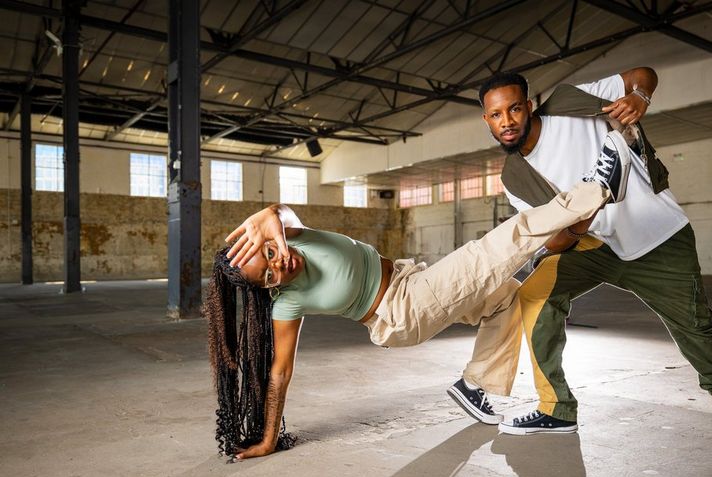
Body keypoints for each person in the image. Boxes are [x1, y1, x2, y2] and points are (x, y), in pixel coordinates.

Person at [207, 132, 629, 460]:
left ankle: (475, 385)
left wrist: (267, 214)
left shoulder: (292, 235)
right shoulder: (288, 303)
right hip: (399, 312)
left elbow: (279, 214)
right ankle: (597, 188)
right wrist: (267, 437)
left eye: (269, 252)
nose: (278, 263)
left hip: (410, 279)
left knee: (508, 297)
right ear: (269, 290)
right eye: (269, 275)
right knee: (497, 247)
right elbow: (279, 374)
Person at [447, 68, 712, 437]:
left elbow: (643, 75)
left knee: (696, 323)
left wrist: (641, 98)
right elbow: (554, 241)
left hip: (658, 234)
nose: (506, 122)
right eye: (496, 115)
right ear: (487, 120)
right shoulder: (514, 177)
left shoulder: (569, 104)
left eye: (513, 110)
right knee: (533, 295)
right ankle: (556, 408)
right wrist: (581, 221)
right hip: (594, 244)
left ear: (529, 106)